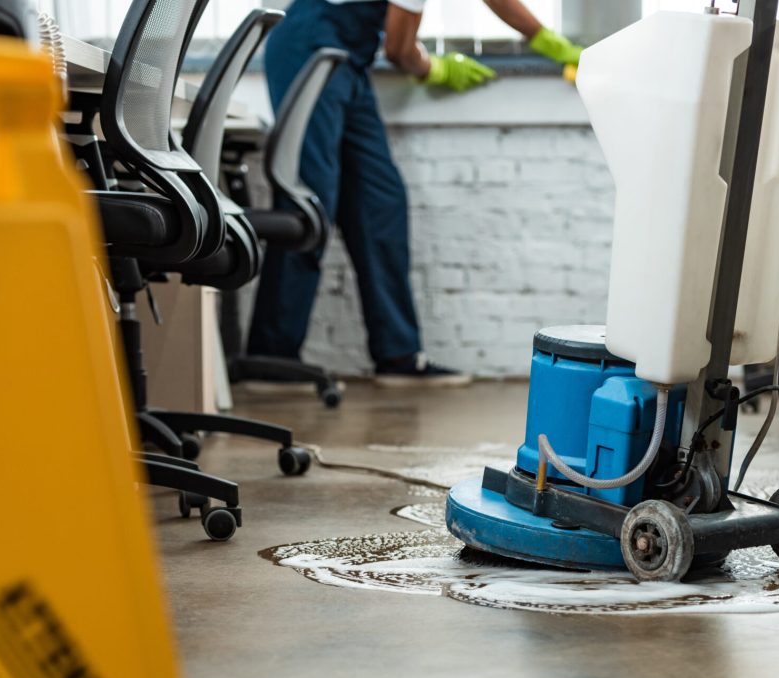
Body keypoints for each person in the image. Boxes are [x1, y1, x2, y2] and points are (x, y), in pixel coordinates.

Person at [248, 0, 583, 388]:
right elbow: (399, 50)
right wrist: (434, 67)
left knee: (380, 202)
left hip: (349, 63)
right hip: (308, 50)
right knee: (308, 201)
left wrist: (546, 41)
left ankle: (398, 354)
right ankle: (271, 358)